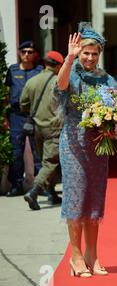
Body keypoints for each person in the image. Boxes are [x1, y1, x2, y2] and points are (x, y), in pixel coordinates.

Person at [55, 23, 117, 277]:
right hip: (73, 144)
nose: (90, 58)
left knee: (94, 199)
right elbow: (60, 86)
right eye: (86, 53)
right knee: (76, 198)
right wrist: (69, 59)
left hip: (97, 147)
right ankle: (76, 255)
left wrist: (113, 120)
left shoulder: (106, 78)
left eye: (94, 53)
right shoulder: (71, 73)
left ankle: (93, 254)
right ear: (79, 53)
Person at [20, 51, 64, 210]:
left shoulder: (32, 81)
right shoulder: (60, 81)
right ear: (59, 65)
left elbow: (23, 104)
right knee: (50, 163)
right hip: (54, 127)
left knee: (45, 161)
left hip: (37, 127)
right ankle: (34, 191)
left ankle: (51, 193)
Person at [4, 41, 43, 197]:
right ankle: (17, 184)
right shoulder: (12, 70)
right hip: (16, 116)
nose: (26, 54)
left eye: (30, 51)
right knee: (16, 152)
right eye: (23, 51)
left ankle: (40, 186)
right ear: (19, 53)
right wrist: (5, 117)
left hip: (34, 115)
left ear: (34, 54)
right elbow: (6, 93)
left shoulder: (40, 70)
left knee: (38, 152)